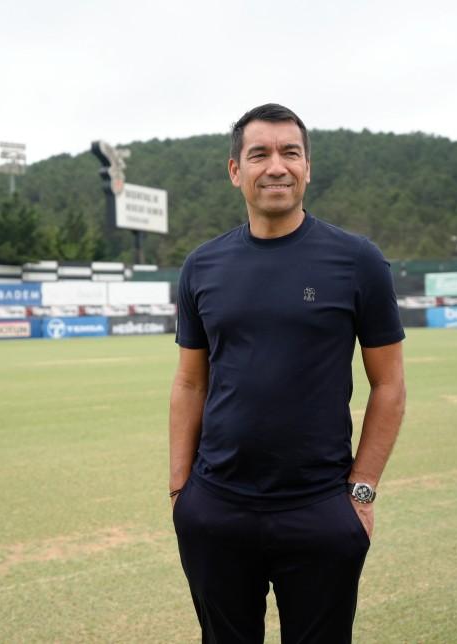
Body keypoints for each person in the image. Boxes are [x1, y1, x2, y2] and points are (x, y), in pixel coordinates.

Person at [169, 103, 407, 644]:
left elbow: (389, 384)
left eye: (290, 153)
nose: (276, 166)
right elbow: (190, 382)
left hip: (321, 507)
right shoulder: (201, 266)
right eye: (259, 154)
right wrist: (182, 491)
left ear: (307, 167)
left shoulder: (358, 260)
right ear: (236, 171)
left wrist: (362, 492)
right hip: (216, 508)